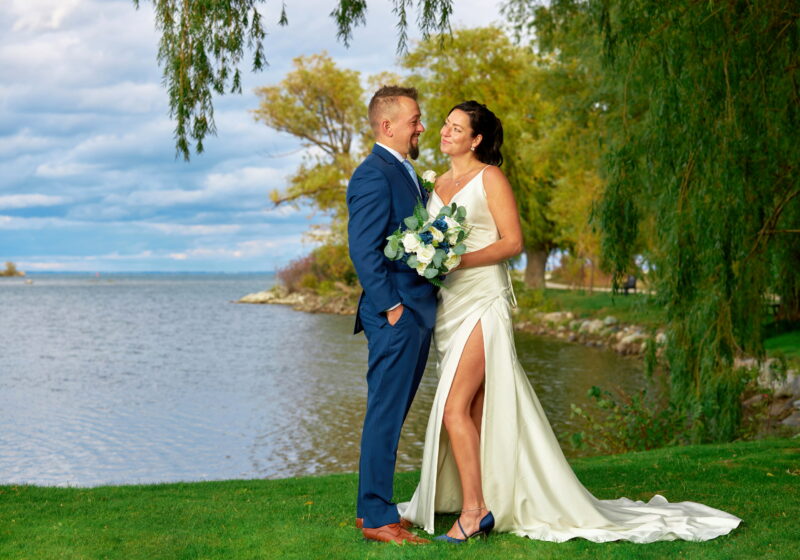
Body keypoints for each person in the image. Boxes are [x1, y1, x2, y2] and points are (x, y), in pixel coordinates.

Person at [398, 101, 741, 543]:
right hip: (450, 305)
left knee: (453, 408)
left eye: (456, 127)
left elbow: (513, 242)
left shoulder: (490, 178)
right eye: (444, 124)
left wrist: (456, 259)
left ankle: (473, 512)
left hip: (484, 300)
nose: (444, 132)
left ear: (476, 139)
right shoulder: (437, 183)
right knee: (478, 410)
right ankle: (476, 497)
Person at [346, 85, 438, 544]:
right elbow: (363, 249)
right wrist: (394, 307)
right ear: (388, 126)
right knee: (384, 413)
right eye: (415, 120)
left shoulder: (405, 172)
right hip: (395, 317)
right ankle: (378, 518)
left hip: (415, 313)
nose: (422, 127)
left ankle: (372, 509)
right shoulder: (373, 175)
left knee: (391, 413)